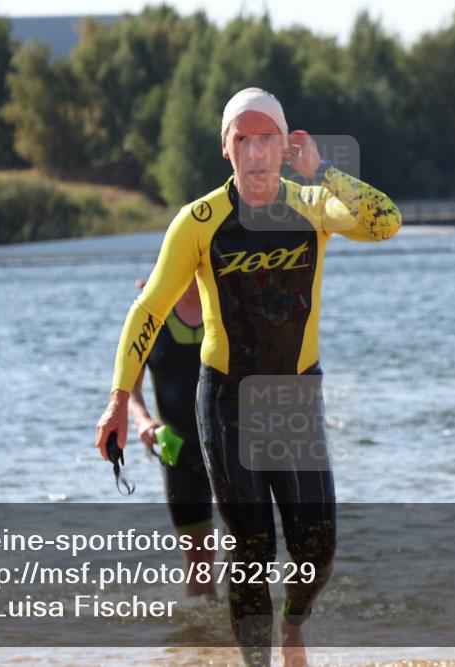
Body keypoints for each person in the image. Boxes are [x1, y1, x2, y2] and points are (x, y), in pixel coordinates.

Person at [94, 87, 402, 666]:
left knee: (319, 547)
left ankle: (293, 627)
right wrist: (117, 401)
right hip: (228, 400)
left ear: (285, 146)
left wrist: (325, 171)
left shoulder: (314, 205)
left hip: (294, 395)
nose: (256, 153)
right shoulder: (199, 222)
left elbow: (385, 222)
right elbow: (148, 309)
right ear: (226, 148)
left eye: (268, 140)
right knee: (251, 550)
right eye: (245, 140)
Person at [127, 277, 215, 597]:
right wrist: (143, 422)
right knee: (197, 560)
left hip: (226, 445)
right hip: (173, 445)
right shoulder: (151, 319)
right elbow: (131, 391)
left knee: (245, 547)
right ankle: (201, 641)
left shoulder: (223, 312)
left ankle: (238, 632)